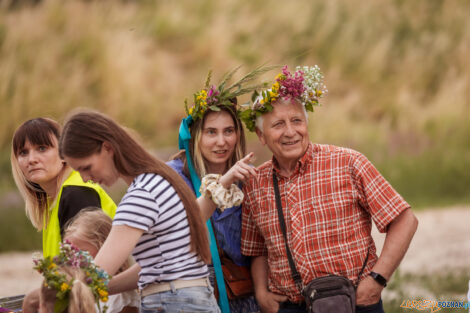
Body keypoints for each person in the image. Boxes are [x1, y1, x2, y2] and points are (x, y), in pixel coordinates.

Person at [238, 65, 419, 313]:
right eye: (278, 124)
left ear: (307, 124)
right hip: (290, 307)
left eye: (297, 121)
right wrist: (261, 292)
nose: (290, 132)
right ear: (261, 136)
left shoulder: (348, 163)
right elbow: (256, 249)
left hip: (354, 302)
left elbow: (405, 220)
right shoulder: (254, 183)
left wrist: (378, 279)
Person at [59, 110, 220, 313]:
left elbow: (95, 272)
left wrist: (45, 294)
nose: (84, 178)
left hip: (173, 302)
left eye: (86, 167)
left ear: (107, 148)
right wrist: (103, 288)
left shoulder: (141, 196)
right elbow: (152, 268)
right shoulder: (157, 180)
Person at [168, 68, 268, 313]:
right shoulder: (174, 177)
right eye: (211, 132)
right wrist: (223, 182)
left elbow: (260, 245)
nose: (221, 142)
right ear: (195, 135)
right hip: (191, 295)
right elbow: (180, 230)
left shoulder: (248, 178)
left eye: (228, 131)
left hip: (243, 296)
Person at [11, 117, 116, 258]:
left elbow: (87, 270)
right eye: (23, 152)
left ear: (64, 154)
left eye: (42, 148)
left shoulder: (76, 194)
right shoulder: (56, 200)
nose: (31, 159)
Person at [64, 208, 140, 313]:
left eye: (82, 252)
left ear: (104, 248)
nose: (74, 261)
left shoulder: (120, 298)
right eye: (69, 255)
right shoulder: (77, 291)